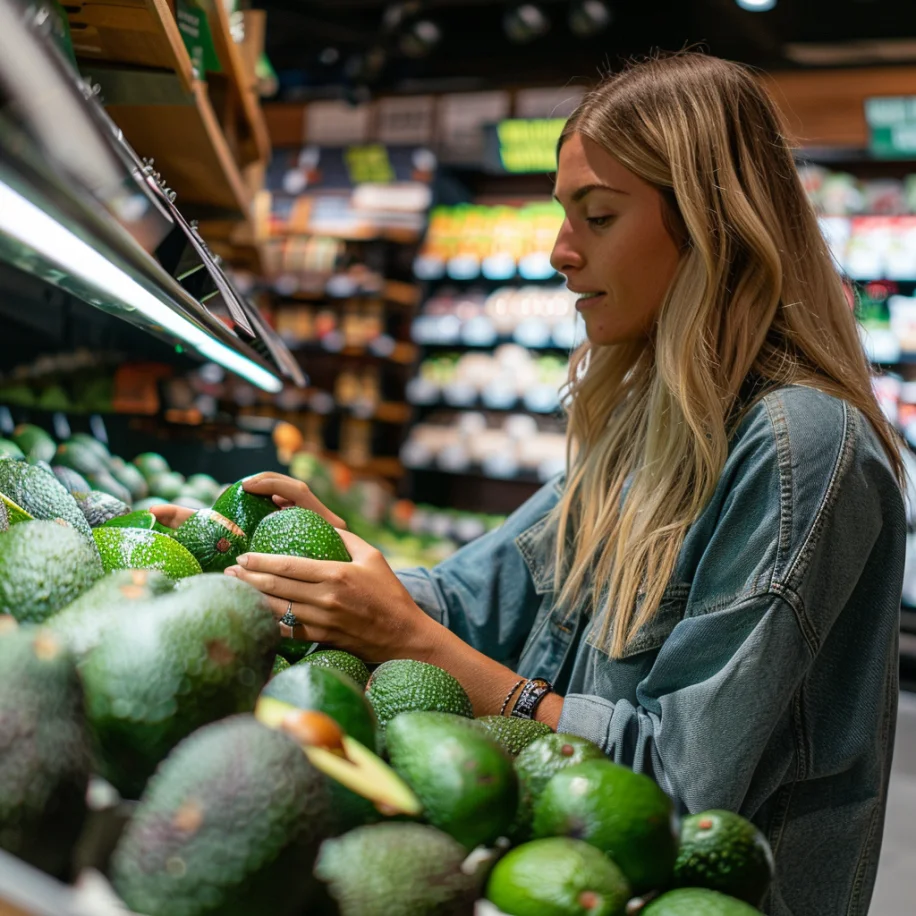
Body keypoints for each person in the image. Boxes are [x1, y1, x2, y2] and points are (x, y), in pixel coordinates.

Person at [154, 52, 907, 916]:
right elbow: (477, 597)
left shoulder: (800, 448)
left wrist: (416, 644)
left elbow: (682, 789)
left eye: (598, 214)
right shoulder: (650, 424)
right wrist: (320, 557)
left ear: (711, 227)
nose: (558, 251)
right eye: (563, 213)